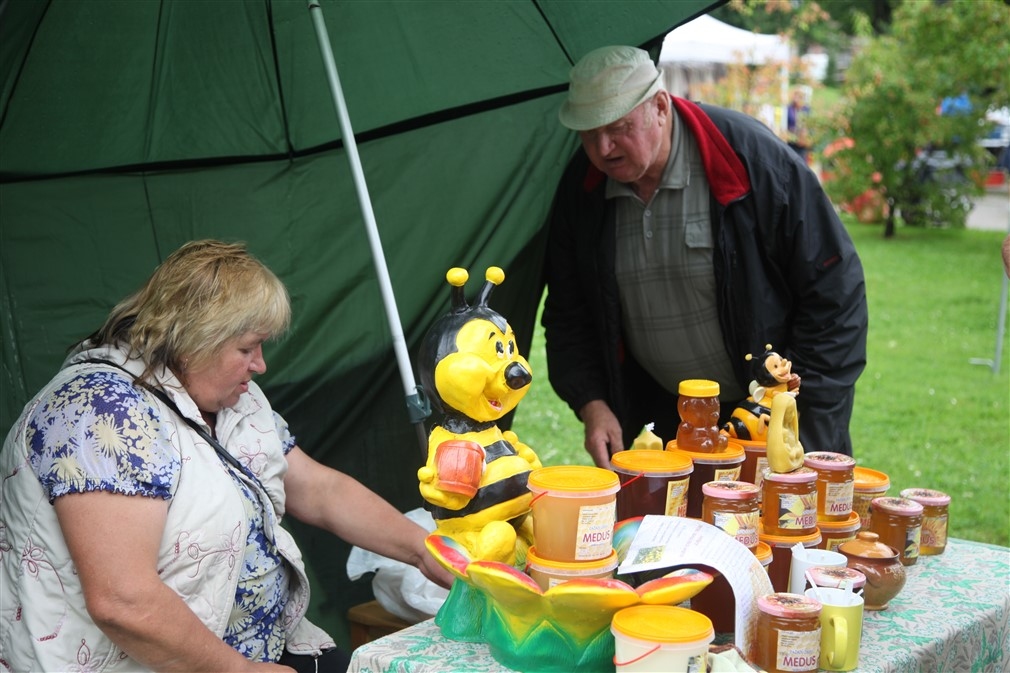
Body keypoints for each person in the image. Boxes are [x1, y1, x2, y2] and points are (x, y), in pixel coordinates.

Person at [0, 240, 453, 673]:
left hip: (265, 648)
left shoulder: (233, 398)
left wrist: (423, 550)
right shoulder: (101, 410)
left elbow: (317, 489)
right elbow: (123, 601)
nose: (260, 366)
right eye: (246, 348)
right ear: (192, 338)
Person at [542, 46, 868, 468]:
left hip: (773, 414)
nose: (603, 149)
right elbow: (570, 314)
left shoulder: (751, 159)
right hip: (666, 419)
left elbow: (836, 294)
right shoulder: (584, 188)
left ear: (660, 106)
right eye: (589, 135)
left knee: (780, 529)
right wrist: (593, 404)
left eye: (619, 127)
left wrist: (793, 413)